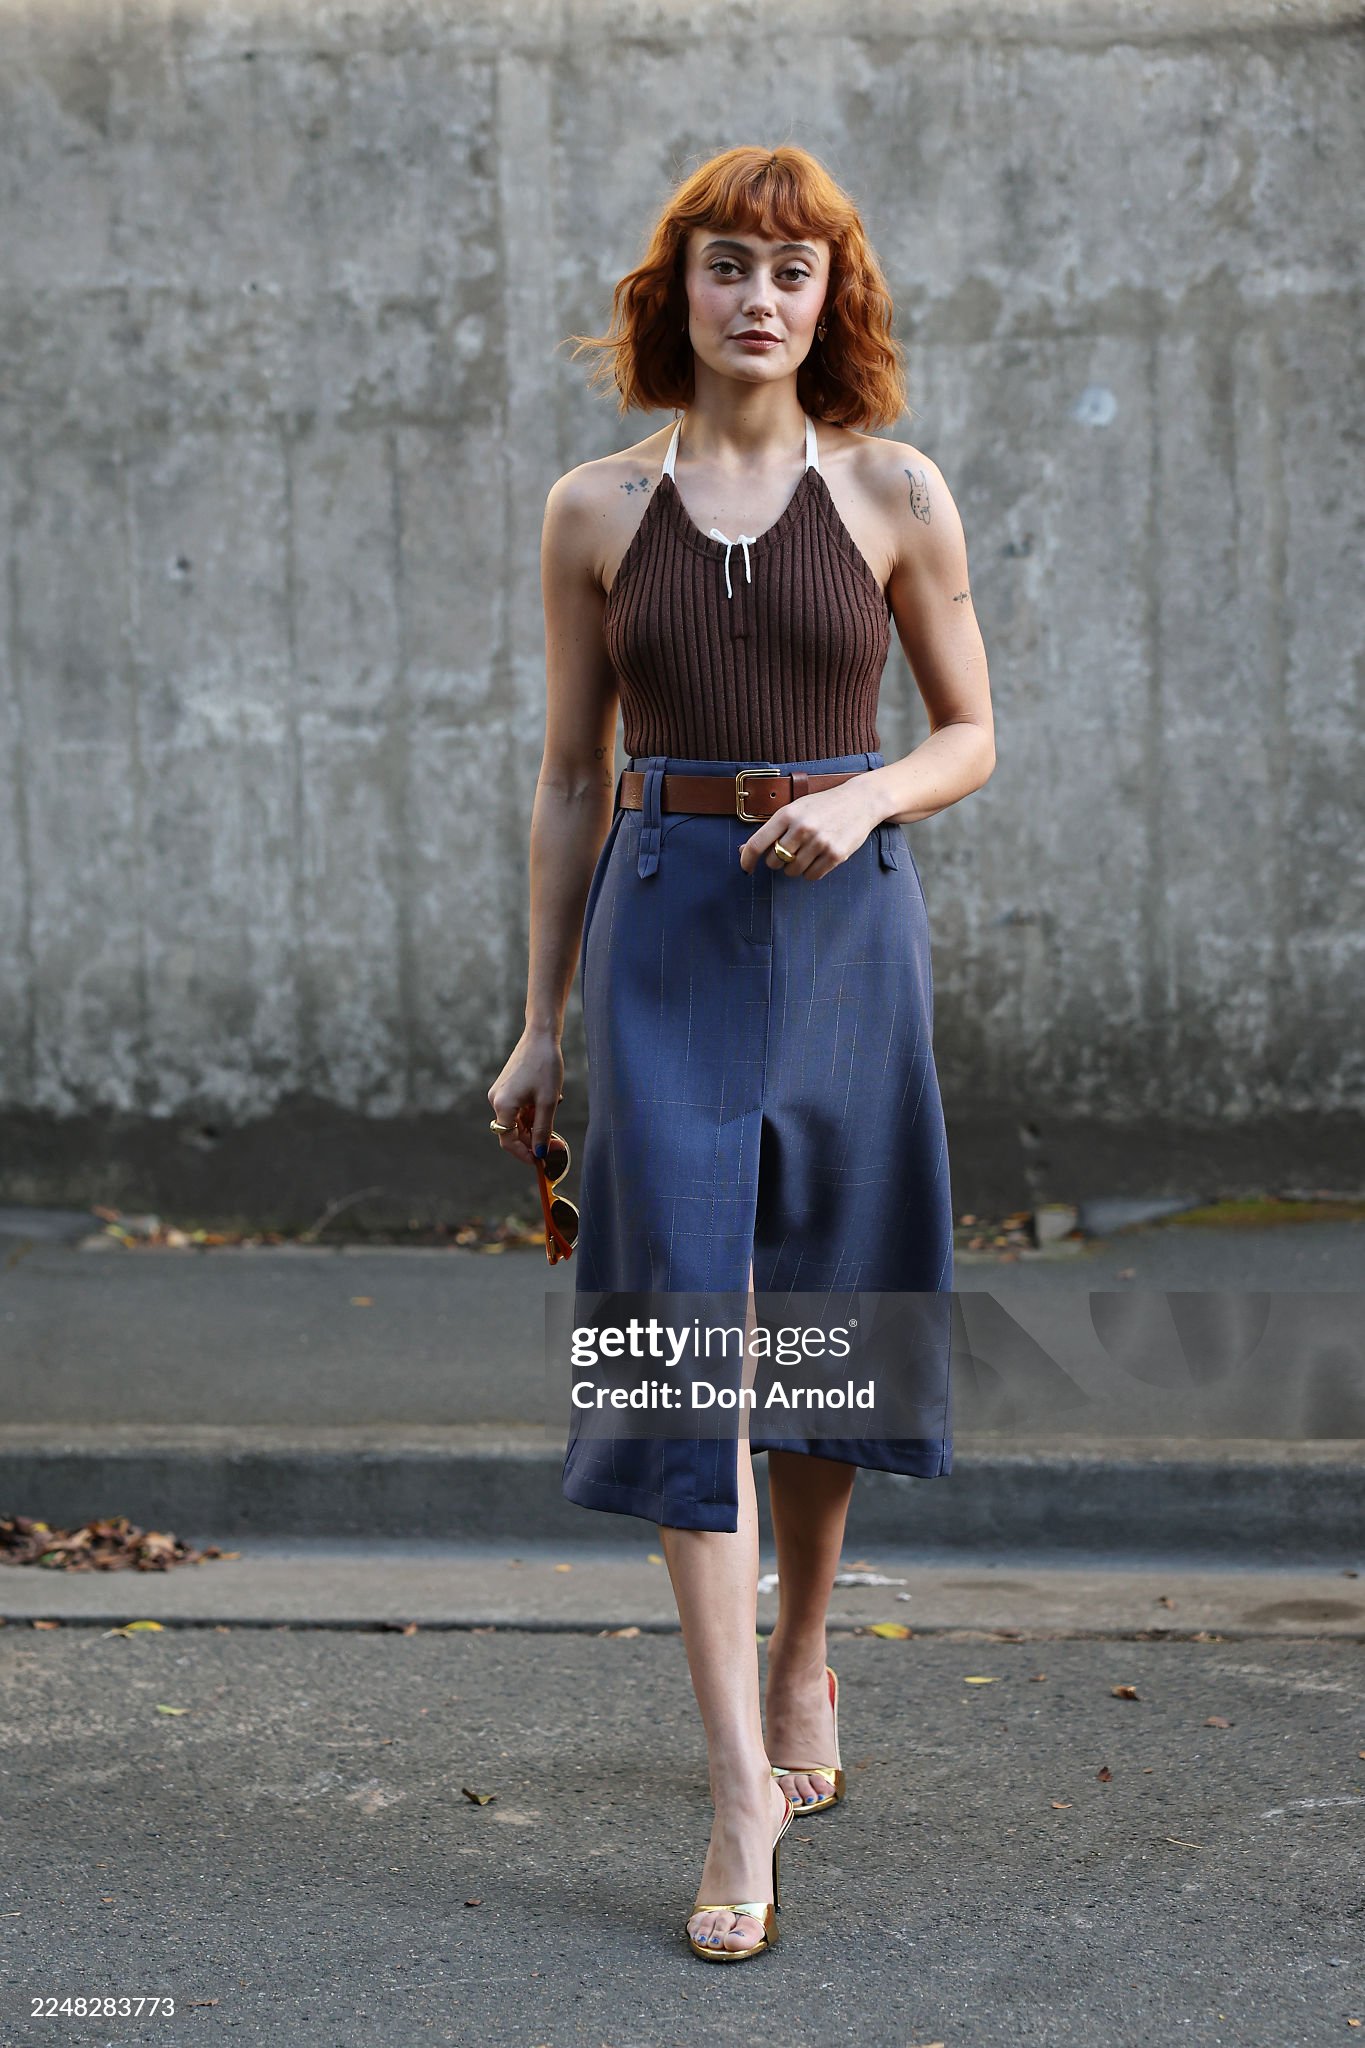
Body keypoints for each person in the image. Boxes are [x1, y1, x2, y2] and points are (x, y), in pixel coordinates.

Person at [487, 143, 994, 1962]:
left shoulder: (892, 489)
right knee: (674, 1329)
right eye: (725, 265)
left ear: (829, 296)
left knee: (836, 1306)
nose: (757, 298)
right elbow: (569, 778)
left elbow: (968, 733)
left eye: (791, 270)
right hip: (666, 928)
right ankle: (730, 1787)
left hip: (848, 927)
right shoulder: (593, 509)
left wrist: (861, 801)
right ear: (675, 291)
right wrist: (539, 1022)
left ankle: (802, 1661)